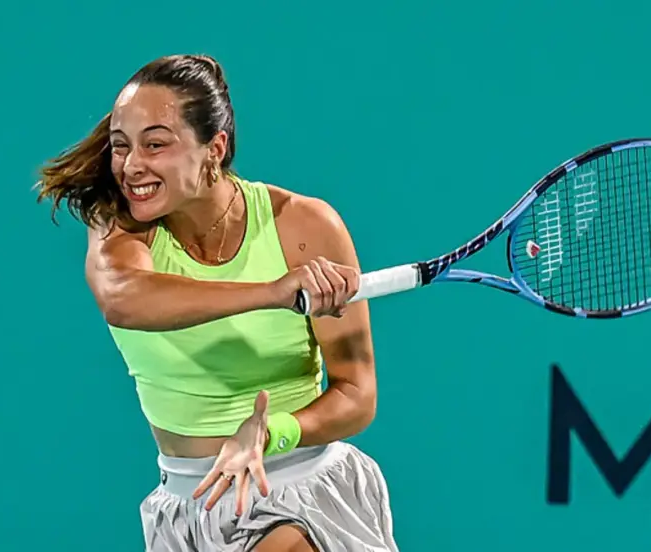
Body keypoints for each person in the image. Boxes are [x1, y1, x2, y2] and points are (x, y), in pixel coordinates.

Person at [36, 54, 398, 552]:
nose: (131, 166)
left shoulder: (304, 226)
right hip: (186, 509)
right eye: (122, 146)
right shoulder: (118, 228)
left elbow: (356, 394)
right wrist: (273, 292)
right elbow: (125, 299)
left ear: (215, 148)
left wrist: (274, 433)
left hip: (297, 493)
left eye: (155, 144)